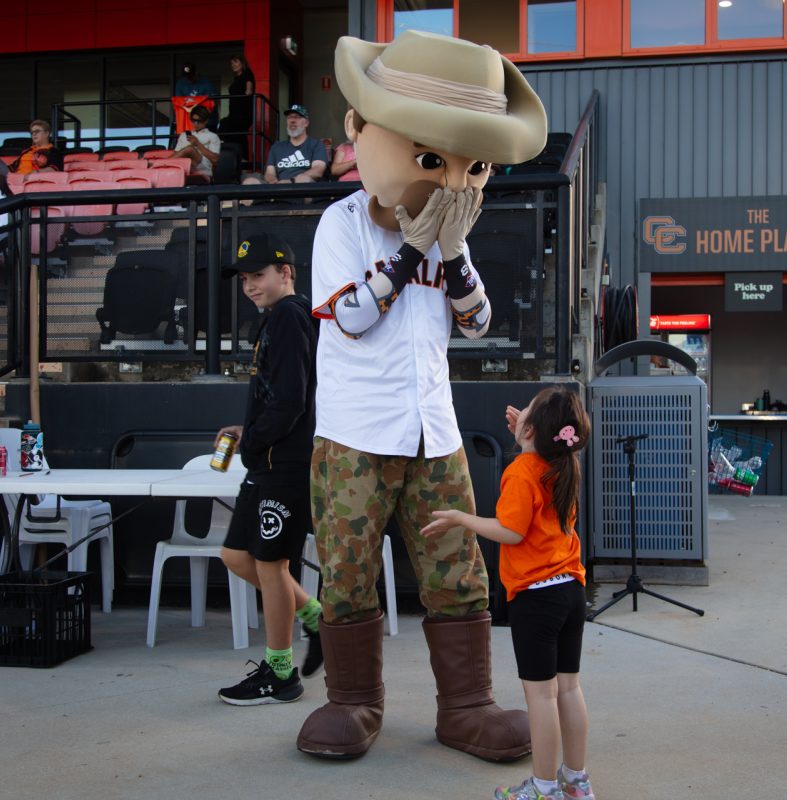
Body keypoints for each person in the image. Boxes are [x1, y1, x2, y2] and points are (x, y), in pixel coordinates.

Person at [295, 31, 546, 762]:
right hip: (354, 433)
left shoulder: (450, 239)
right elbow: (350, 317)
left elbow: (478, 320)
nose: (448, 181)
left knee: (457, 569)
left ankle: (466, 705)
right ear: (358, 131)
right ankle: (353, 702)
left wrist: (453, 250)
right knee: (347, 568)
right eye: (432, 159)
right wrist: (412, 248)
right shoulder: (338, 225)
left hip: (434, 429)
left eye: (468, 165)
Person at [424, 387, 595, 800]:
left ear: (533, 429)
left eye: (527, 415)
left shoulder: (522, 470)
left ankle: (543, 788)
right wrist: (531, 431)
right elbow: (546, 446)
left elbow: (511, 531)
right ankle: (576, 782)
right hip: (570, 589)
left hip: (537, 597)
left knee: (540, 695)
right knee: (569, 689)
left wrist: (461, 518)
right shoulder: (564, 461)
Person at [215, 232, 324, 705]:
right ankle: (318, 616)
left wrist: (255, 440)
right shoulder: (278, 318)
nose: (250, 286)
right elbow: (278, 395)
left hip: (286, 465)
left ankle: (280, 674)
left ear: (287, 273)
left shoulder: (288, 314)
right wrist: (248, 429)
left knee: (271, 564)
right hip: (268, 461)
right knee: (236, 556)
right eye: (244, 279)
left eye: (258, 275)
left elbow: (292, 400)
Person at [242, 105, 326, 185]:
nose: (292, 120)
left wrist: (291, 181)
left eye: (297, 117)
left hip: (303, 189)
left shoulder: (316, 145)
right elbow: (270, 173)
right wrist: (273, 181)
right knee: (249, 181)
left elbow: (318, 170)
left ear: (306, 123)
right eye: (289, 117)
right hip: (279, 187)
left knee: (303, 179)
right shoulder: (277, 147)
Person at [220, 54, 255, 160]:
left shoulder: (247, 73)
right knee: (236, 135)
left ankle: (242, 158)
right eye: (231, 63)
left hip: (243, 113)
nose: (233, 65)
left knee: (226, 126)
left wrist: (248, 90)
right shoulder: (236, 78)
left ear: (242, 63)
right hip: (235, 113)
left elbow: (249, 83)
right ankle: (235, 157)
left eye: (235, 62)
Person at [172, 106, 220, 183]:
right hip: (184, 167)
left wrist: (197, 144)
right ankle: (162, 165)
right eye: (194, 120)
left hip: (202, 168)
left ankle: (158, 164)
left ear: (206, 121)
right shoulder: (184, 135)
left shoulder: (213, 136)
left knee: (190, 150)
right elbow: (175, 155)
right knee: (188, 150)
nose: (196, 123)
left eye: (199, 121)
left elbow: (215, 160)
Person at [173, 61, 217, 134]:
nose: (189, 78)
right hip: (187, 124)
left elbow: (212, 102)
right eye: (187, 76)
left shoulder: (205, 82)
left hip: (207, 122)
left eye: (191, 75)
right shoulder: (181, 83)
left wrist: (195, 104)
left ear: (196, 73)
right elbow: (178, 103)